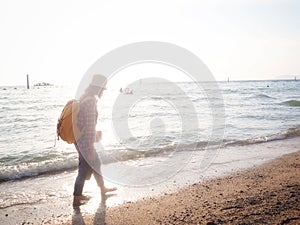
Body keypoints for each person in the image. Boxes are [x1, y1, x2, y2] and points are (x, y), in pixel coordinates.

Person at [73, 74, 116, 207]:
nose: (103, 91)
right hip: (85, 141)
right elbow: (90, 127)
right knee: (83, 169)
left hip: (78, 139)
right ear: (98, 88)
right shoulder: (91, 101)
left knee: (96, 163)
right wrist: (90, 148)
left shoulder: (84, 96)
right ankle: (76, 198)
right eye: (103, 88)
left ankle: (102, 189)